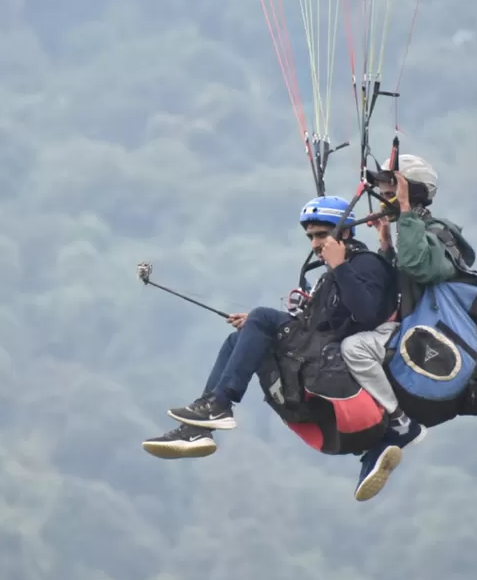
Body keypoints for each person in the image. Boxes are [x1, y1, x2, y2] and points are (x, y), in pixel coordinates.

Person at [143, 196, 397, 488]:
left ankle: (220, 405)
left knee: (262, 316)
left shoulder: (364, 264)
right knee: (236, 338)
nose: (314, 244)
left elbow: (366, 314)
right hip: (314, 349)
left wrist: (341, 266)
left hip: (330, 359)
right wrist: (255, 326)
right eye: (311, 237)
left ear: (346, 232)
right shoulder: (329, 274)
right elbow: (314, 320)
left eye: (321, 235)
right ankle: (197, 428)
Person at [333, 153, 477, 498]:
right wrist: (385, 243)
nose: (383, 195)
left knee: (353, 348)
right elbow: (397, 284)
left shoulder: (437, 233)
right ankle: (379, 446)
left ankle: (400, 422)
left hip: (434, 339)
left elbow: (417, 267)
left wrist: (406, 213)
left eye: (389, 188)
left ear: (408, 192)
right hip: (408, 332)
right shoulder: (411, 233)